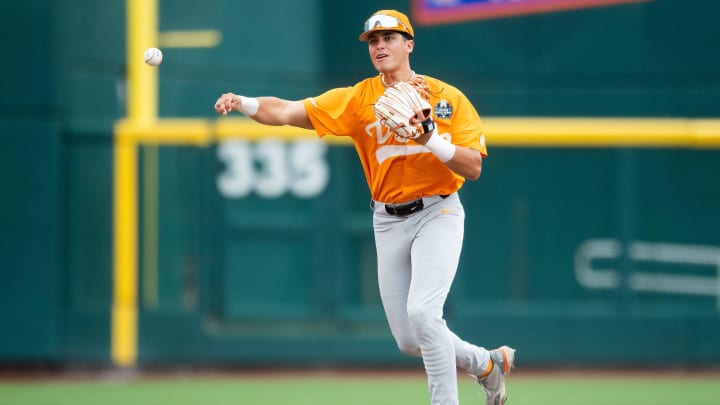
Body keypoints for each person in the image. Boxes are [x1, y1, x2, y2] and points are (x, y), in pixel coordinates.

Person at [214, 9, 515, 405]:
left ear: (409, 44)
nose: (379, 46)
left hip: (438, 211)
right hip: (387, 219)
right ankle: (486, 364)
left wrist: (432, 140)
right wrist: (244, 102)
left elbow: (473, 166)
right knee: (410, 340)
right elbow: (288, 111)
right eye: (373, 41)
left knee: (425, 315)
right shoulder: (358, 100)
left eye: (389, 38)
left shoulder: (445, 99)